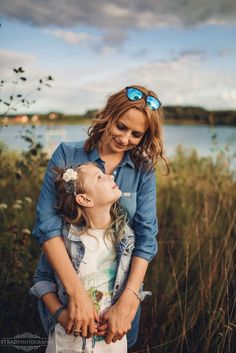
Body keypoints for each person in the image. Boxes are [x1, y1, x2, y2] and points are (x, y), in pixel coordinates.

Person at [32, 85, 169, 348]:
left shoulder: (143, 170)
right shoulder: (68, 154)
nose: (125, 138)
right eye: (121, 126)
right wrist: (75, 296)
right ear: (108, 115)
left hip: (118, 300)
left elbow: (146, 235)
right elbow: (47, 226)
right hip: (67, 297)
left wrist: (129, 300)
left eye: (136, 134)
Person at [31, 162, 143, 352]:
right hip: (67, 342)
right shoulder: (63, 240)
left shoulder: (126, 238)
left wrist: (124, 315)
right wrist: (60, 314)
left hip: (110, 343)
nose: (110, 176)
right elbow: (42, 280)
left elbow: (134, 285)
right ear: (85, 199)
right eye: (100, 177)